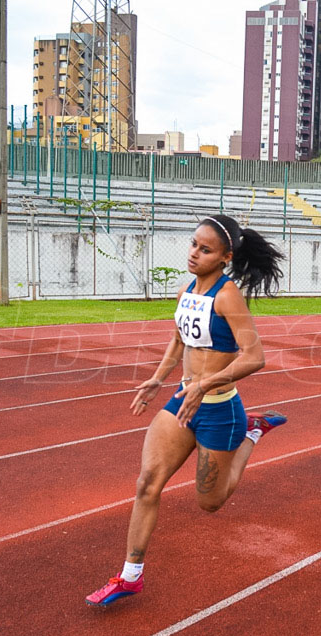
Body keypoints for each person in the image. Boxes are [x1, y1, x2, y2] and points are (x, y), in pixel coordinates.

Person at [86, 214, 288, 606]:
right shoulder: (185, 292)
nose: (194, 253)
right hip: (182, 402)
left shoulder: (228, 296)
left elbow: (255, 356)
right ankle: (130, 576)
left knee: (210, 503)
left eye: (205, 249)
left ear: (225, 257)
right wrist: (157, 379)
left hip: (218, 409)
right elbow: (179, 343)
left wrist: (205, 384)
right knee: (147, 483)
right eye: (193, 244)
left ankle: (251, 431)